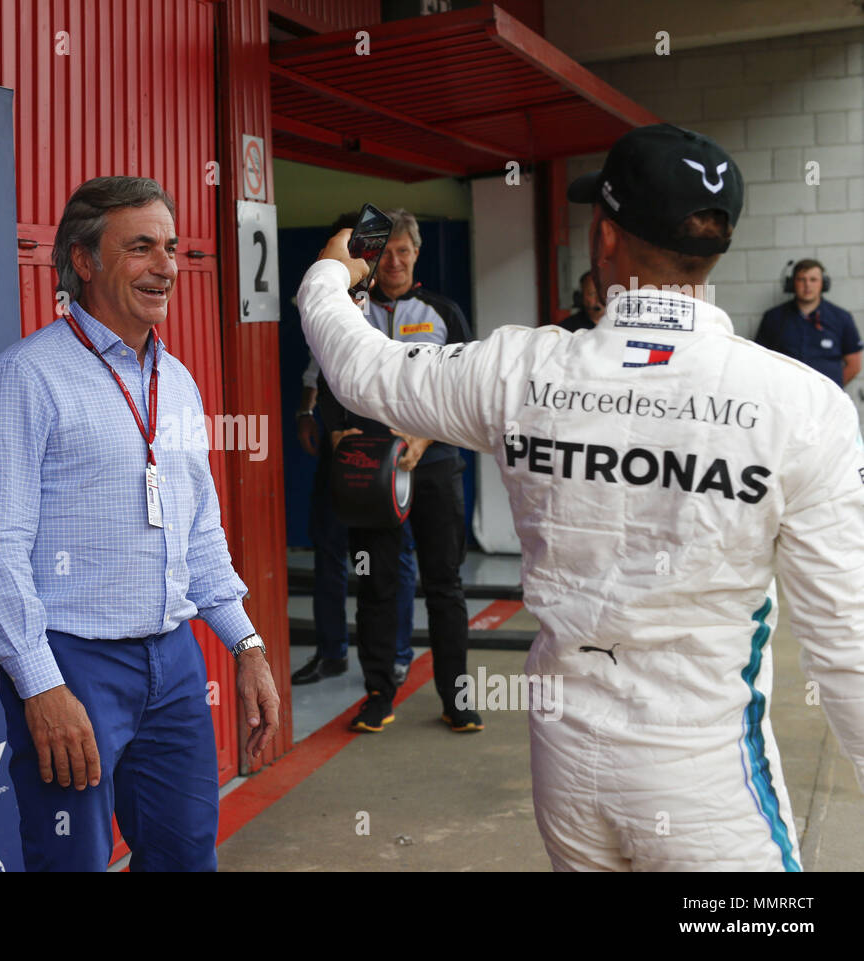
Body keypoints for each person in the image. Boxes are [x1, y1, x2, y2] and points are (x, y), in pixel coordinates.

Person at [299, 123, 864, 871]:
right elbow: (847, 644)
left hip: (566, 768)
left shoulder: (519, 369)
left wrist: (328, 276)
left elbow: (363, 370)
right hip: (704, 785)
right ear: (717, 246)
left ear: (603, 238)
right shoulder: (803, 406)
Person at [0, 176, 280, 872]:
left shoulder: (180, 382)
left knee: (185, 858)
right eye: (140, 247)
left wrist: (247, 644)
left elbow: (199, 533)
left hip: (172, 661)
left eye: (170, 247)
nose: (166, 266)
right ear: (83, 260)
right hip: (73, 663)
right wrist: (41, 685)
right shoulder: (26, 377)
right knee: (72, 862)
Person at [315, 209, 479, 733]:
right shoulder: (349, 310)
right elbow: (331, 374)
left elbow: (468, 387)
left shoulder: (442, 311)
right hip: (370, 471)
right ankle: (378, 695)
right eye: (385, 251)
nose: (394, 260)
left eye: (404, 250)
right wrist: (338, 429)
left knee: (445, 585)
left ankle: (456, 699)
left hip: (432, 464)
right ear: (371, 255)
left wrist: (424, 436)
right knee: (374, 583)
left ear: (416, 254)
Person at [292, 352, 420, 687]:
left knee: (395, 555)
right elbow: (314, 369)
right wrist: (307, 411)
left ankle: (397, 654)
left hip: (390, 445)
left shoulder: (399, 319)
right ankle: (331, 653)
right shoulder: (335, 314)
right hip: (341, 445)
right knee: (329, 549)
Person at [755, 259, 862, 388]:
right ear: (792, 283)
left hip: (826, 401)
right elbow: (760, 360)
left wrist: (832, 390)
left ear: (824, 283)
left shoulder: (841, 318)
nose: (807, 285)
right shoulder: (773, 318)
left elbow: (854, 365)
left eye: (813, 280)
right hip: (785, 397)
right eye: (801, 279)